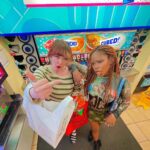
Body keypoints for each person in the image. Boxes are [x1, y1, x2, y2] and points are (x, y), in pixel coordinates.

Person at [24, 39, 85, 144]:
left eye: (65, 58)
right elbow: (34, 84)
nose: (60, 62)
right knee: (56, 128)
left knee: (70, 122)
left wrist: (79, 84)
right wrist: (33, 93)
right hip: (52, 111)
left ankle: (72, 131)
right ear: (50, 56)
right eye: (57, 56)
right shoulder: (44, 71)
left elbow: (75, 90)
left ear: (69, 60)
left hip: (68, 109)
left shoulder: (72, 73)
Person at [83, 45, 131, 150]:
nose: (95, 66)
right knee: (95, 129)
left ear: (111, 60)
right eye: (93, 63)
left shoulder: (121, 82)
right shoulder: (90, 75)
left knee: (97, 127)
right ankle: (96, 141)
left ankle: (94, 132)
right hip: (92, 111)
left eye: (99, 61)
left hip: (107, 112)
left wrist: (115, 114)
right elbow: (72, 64)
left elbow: (127, 101)